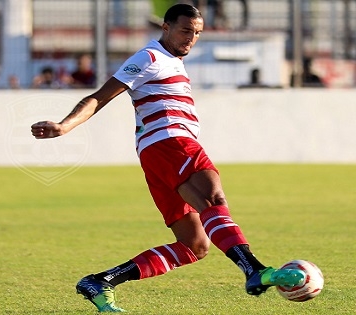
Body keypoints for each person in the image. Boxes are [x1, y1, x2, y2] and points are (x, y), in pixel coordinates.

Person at [31, 4, 306, 312]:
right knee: (213, 197)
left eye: (197, 33)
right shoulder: (149, 57)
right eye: (185, 30)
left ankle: (101, 281)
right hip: (170, 142)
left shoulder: (172, 61)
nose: (191, 39)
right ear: (165, 27)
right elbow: (100, 96)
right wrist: (64, 125)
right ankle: (254, 269)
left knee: (194, 246)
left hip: (156, 154)